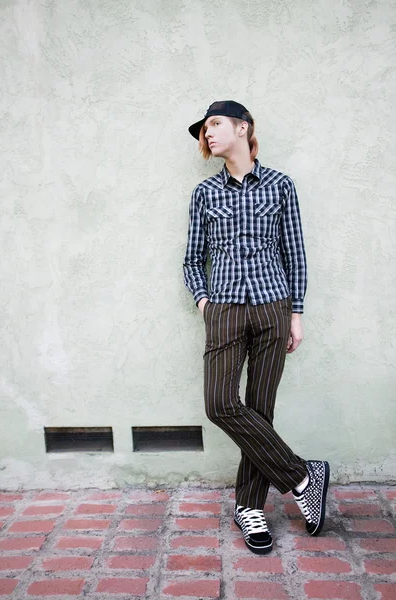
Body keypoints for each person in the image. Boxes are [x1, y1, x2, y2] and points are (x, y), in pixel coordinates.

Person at [183, 100, 330, 555]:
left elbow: (295, 251)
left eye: (214, 125)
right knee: (221, 404)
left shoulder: (281, 186)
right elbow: (192, 260)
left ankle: (249, 508)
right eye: (204, 130)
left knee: (260, 410)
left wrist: (296, 313)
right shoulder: (205, 194)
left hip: (273, 306)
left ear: (242, 128)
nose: (207, 135)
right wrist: (205, 302)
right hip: (224, 309)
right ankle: (304, 475)